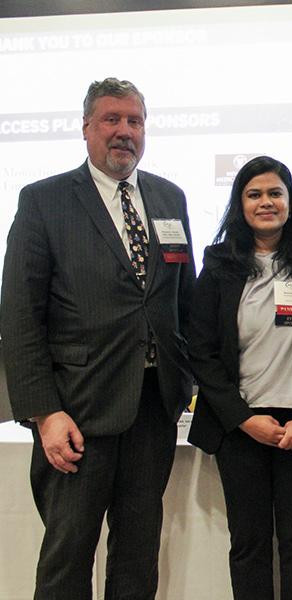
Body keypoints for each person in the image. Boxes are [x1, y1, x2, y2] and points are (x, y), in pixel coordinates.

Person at [0, 78, 195, 599]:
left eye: (134, 121)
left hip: (152, 411)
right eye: (111, 119)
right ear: (86, 127)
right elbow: (19, 318)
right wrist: (44, 412)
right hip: (77, 414)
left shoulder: (169, 197)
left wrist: (187, 385)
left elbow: (183, 298)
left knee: (137, 559)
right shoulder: (44, 201)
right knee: (67, 562)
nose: (124, 131)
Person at [187, 155, 292, 600]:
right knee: (249, 544)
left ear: (290, 202)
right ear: (240, 204)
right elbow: (200, 350)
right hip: (240, 426)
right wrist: (242, 418)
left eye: (275, 193)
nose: (266, 202)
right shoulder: (218, 263)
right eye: (254, 194)